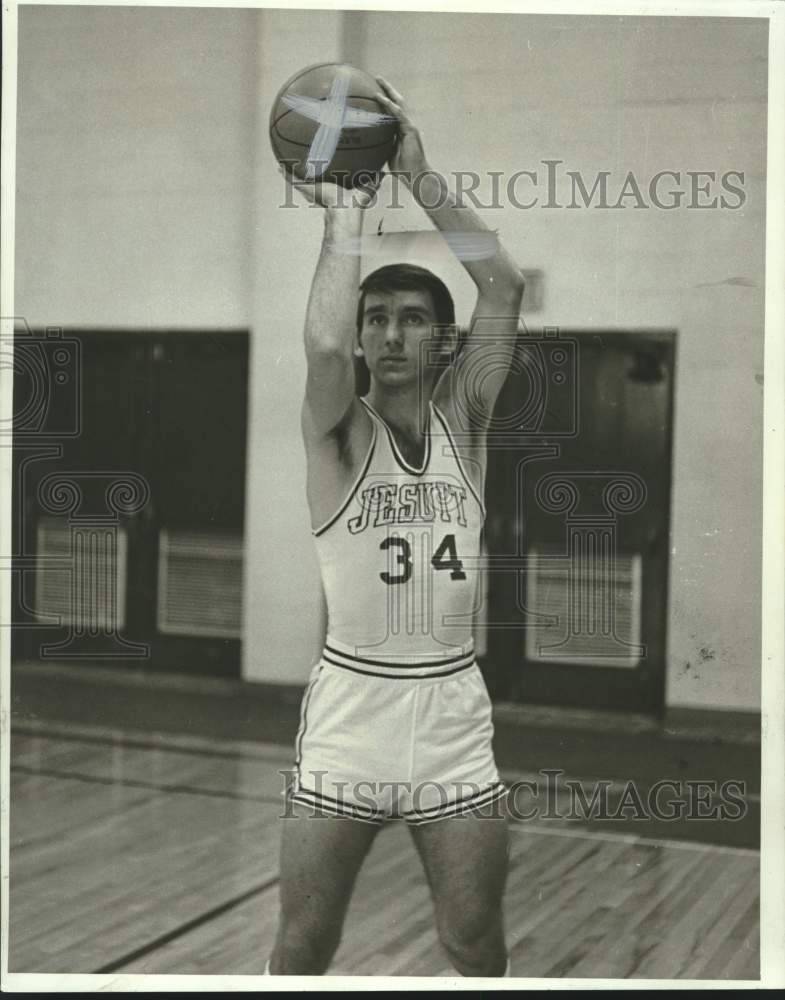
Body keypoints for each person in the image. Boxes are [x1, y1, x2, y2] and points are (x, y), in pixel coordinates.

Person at [268, 77, 525, 977]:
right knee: (305, 943)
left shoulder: (468, 427)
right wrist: (344, 217)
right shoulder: (337, 437)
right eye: (376, 316)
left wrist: (418, 174)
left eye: (412, 320)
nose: (386, 334)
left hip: (453, 716)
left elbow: (499, 281)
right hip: (350, 717)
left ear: (443, 344)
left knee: (473, 941)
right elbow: (326, 349)